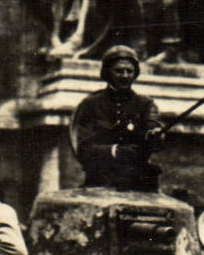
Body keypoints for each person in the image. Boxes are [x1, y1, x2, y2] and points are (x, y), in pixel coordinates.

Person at [69, 45, 164, 190]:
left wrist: (155, 133)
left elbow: (153, 123)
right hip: (100, 181)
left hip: (138, 184)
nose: (125, 76)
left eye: (129, 71)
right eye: (119, 71)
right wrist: (116, 152)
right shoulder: (90, 104)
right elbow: (83, 148)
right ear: (107, 73)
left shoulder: (145, 104)